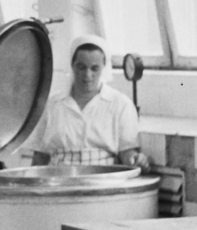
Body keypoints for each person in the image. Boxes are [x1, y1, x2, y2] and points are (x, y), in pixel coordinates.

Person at [29, 36, 148, 168]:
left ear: (104, 67)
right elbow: (40, 156)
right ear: (72, 65)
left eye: (94, 68)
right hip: (60, 182)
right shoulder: (52, 105)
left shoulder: (120, 105)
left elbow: (127, 151)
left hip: (105, 182)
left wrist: (135, 159)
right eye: (81, 67)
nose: (87, 75)